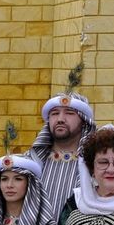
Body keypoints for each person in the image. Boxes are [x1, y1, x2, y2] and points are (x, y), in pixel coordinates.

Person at [29, 82, 98, 213]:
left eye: (69, 113)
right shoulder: (31, 161)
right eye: (54, 113)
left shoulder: (97, 164)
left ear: (84, 121)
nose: (60, 119)